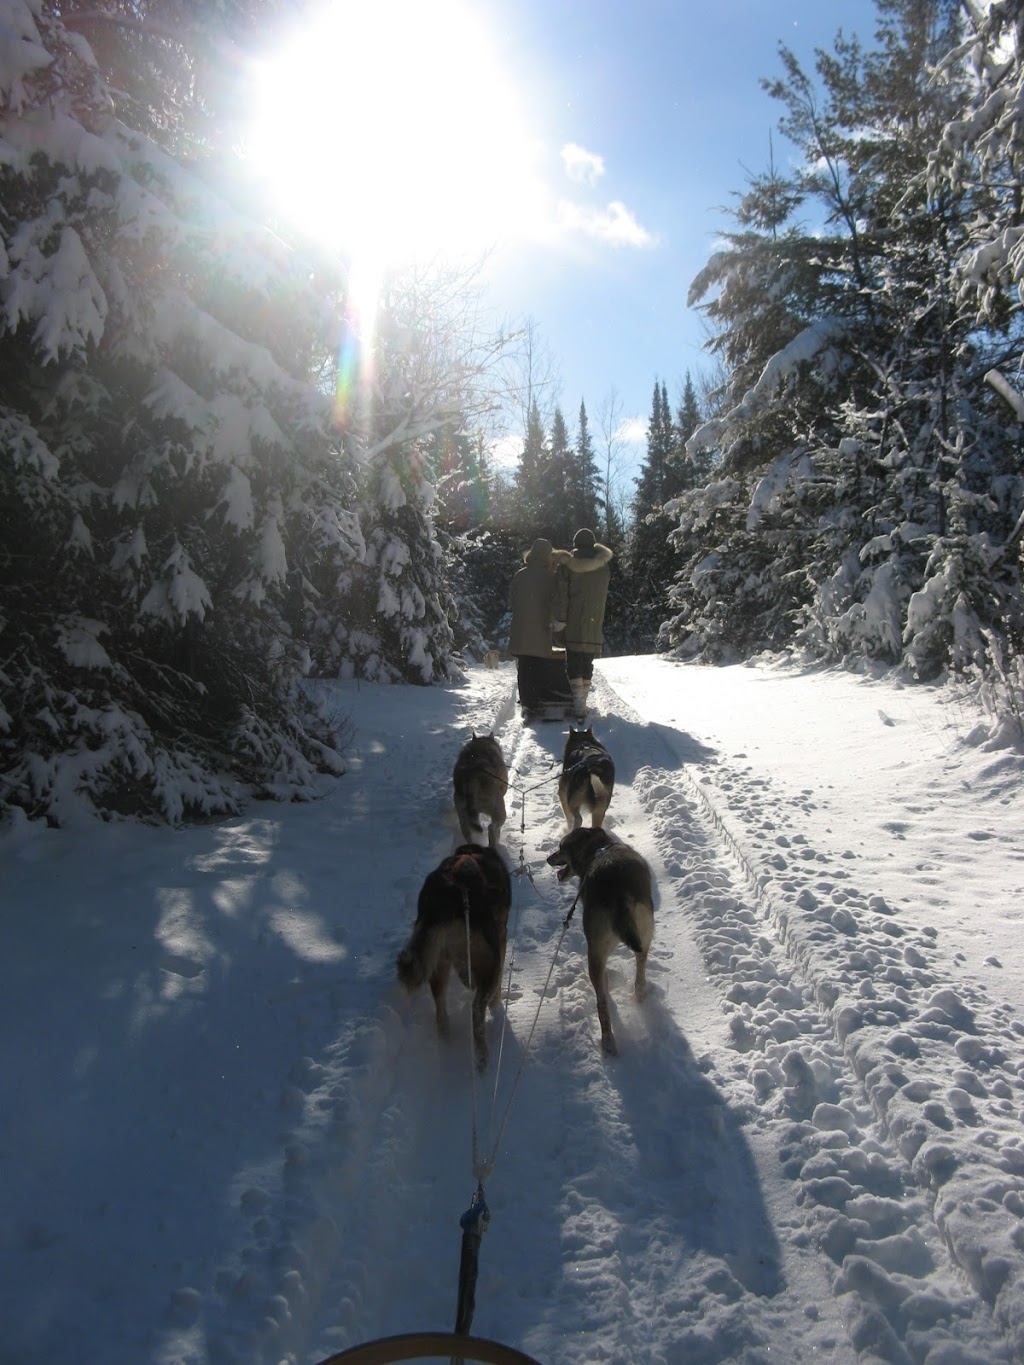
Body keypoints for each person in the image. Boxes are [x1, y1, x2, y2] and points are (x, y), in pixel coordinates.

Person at [553, 527, 613, 721]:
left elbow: (563, 596)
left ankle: (578, 703)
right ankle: (583, 702)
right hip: (594, 621)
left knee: (573, 661)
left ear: (575, 545)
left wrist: (560, 621)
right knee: (587, 661)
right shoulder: (603, 568)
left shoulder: (567, 566)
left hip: (573, 620)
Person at [507, 538, 572, 715]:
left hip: (521, 629)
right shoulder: (551, 577)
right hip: (541, 628)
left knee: (524, 666)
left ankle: (528, 704)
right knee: (539, 664)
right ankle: (538, 701)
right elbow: (558, 603)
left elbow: (511, 601)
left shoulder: (520, 574)